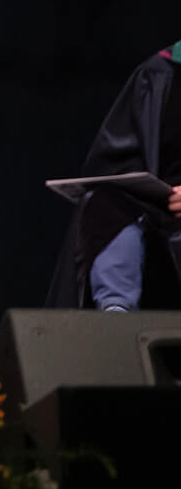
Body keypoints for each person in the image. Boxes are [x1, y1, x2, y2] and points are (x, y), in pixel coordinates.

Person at [46, 44, 181, 310]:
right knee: (106, 203)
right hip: (163, 217)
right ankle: (115, 317)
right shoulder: (161, 72)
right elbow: (117, 160)